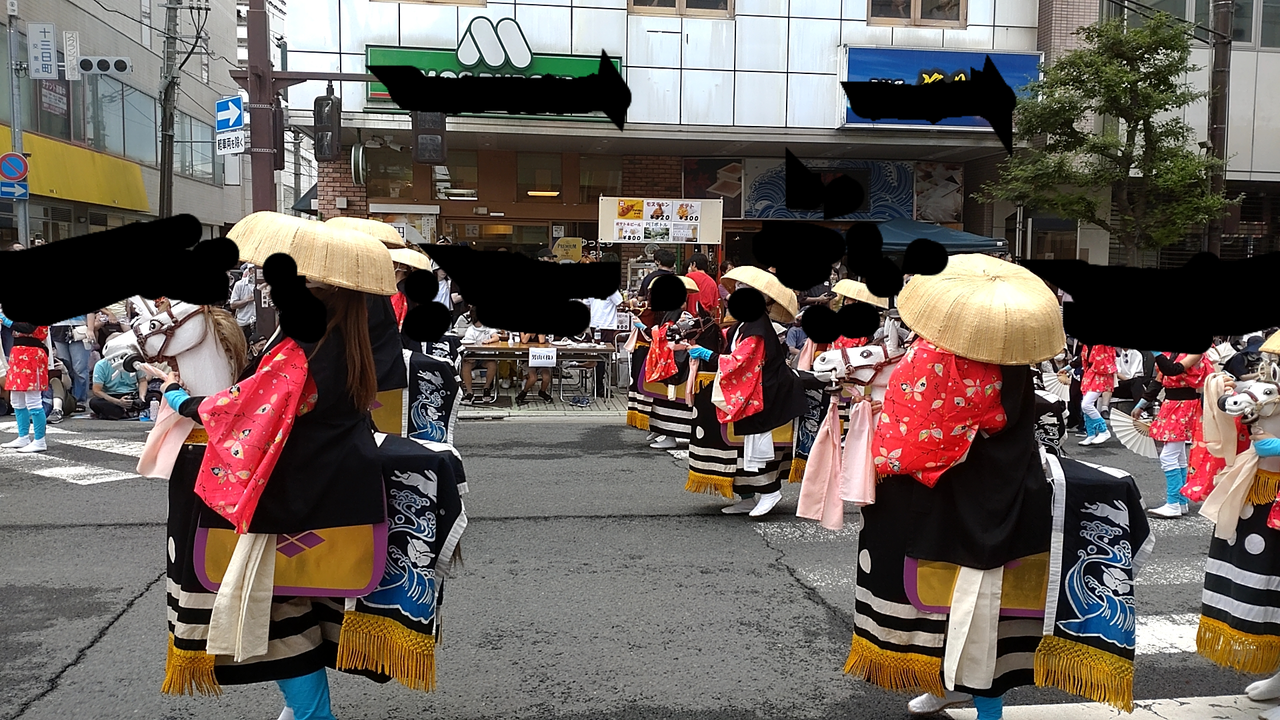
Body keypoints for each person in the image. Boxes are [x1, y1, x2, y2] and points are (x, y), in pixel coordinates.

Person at [847, 254, 1063, 720]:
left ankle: (984, 701)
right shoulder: (1011, 360)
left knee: (970, 601)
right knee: (964, 601)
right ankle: (946, 685)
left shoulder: (938, 355)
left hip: (953, 491)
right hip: (996, 489)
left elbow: (916, 430)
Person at [685, 267, 806, 516]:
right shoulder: (744, 324)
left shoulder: (757, 327)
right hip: (752, 386)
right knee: (728, 435)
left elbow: (742, 362)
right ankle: (747, 495)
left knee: (752, 439)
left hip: (766, 391)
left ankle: (769, 491)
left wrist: (709, 354)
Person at [1136, 350, 1212, 518]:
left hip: (1184, 405)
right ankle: (1181, 501)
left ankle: (1173, 504)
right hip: (1172, 404)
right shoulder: (1170, 353)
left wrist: (1156, 353)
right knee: (1178, 457)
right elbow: (1159, 381)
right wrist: (1142, 403)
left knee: (1168, 456)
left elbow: (1173, 369)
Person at [0, 312, 50, 453]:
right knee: (16, 399)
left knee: (33, 400)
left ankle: (40, 440)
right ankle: (23, 437)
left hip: (32, 354)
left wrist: (7, 321)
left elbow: (29, 328)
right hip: (18, 353)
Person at [88, 340, 148, 420]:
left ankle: (122, 412)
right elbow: (97, 390)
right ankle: (125, 412)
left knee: (154, 396)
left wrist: (141, 397)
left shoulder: (134, 361)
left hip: (133, 395)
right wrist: (118, 402)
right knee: (94, 402)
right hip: (111, 396)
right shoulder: (101, 365)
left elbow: (142, 380)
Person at [1077, 344, 1116, 446]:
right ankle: (1091, 434)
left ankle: (1104, 431)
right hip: (1090, 374)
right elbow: (1081, 360)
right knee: (1086, 406)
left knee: (1086, 404)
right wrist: (1067, 368)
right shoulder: (1087, 345)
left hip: (1101, 374)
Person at [50, 314, 91, 410]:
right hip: (57, 328)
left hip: (79, 328)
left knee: (79, 368)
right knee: (64, 366)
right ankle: (67, 399)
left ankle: (79, 400)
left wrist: (90, 329)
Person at [460, 319, 502, 404]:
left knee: (492, 364)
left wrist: (488, 341)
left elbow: (496, 337)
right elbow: (467, 344)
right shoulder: (470, 330)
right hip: (473, 357)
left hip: (486, 357)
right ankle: (469, 392)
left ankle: (487, 388)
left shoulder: (488, 327)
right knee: (465, 365)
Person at [517, 333, 553, 404]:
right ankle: (524, 392)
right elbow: (524, 341)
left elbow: (542, 341)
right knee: (533, 378)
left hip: (541, 358)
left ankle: (542, 392)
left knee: (546, 377)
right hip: (527, 360)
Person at [229, 262, 258, 344]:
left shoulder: (263, 284)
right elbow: (233, 305)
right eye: (255, 270)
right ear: (250, 270)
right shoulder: (239, 284)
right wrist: (247, 300)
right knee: (242, 345)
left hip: (259, 322)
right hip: (244, 322)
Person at [684, 253, 719, 318]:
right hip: (705, 320)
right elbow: (714, 307)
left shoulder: (689, 277)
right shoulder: (712, 282)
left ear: (694, 264)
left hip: (690, 318)